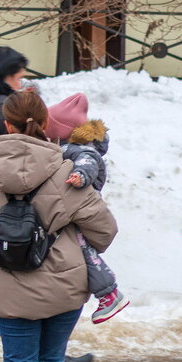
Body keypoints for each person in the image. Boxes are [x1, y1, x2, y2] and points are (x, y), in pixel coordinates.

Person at [0, 90, 117, 362]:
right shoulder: (67, 172)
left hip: (7, 289)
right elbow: (105, 230)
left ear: (6, 124)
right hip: (64, 286)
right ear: (45, 124)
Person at [0, 50, 95, 362]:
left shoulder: (3, 102)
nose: (21, 80)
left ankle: (44, 358)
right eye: (17, 75)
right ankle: (49, 359)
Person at [47, 94, 129, 323]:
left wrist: (79, 176)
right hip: (73, 203)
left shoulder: (80, 149)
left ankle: (109, 293)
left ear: (63, 130)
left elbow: (88, 163)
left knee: (84, 250)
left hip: (80, 203)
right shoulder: (67, 147)